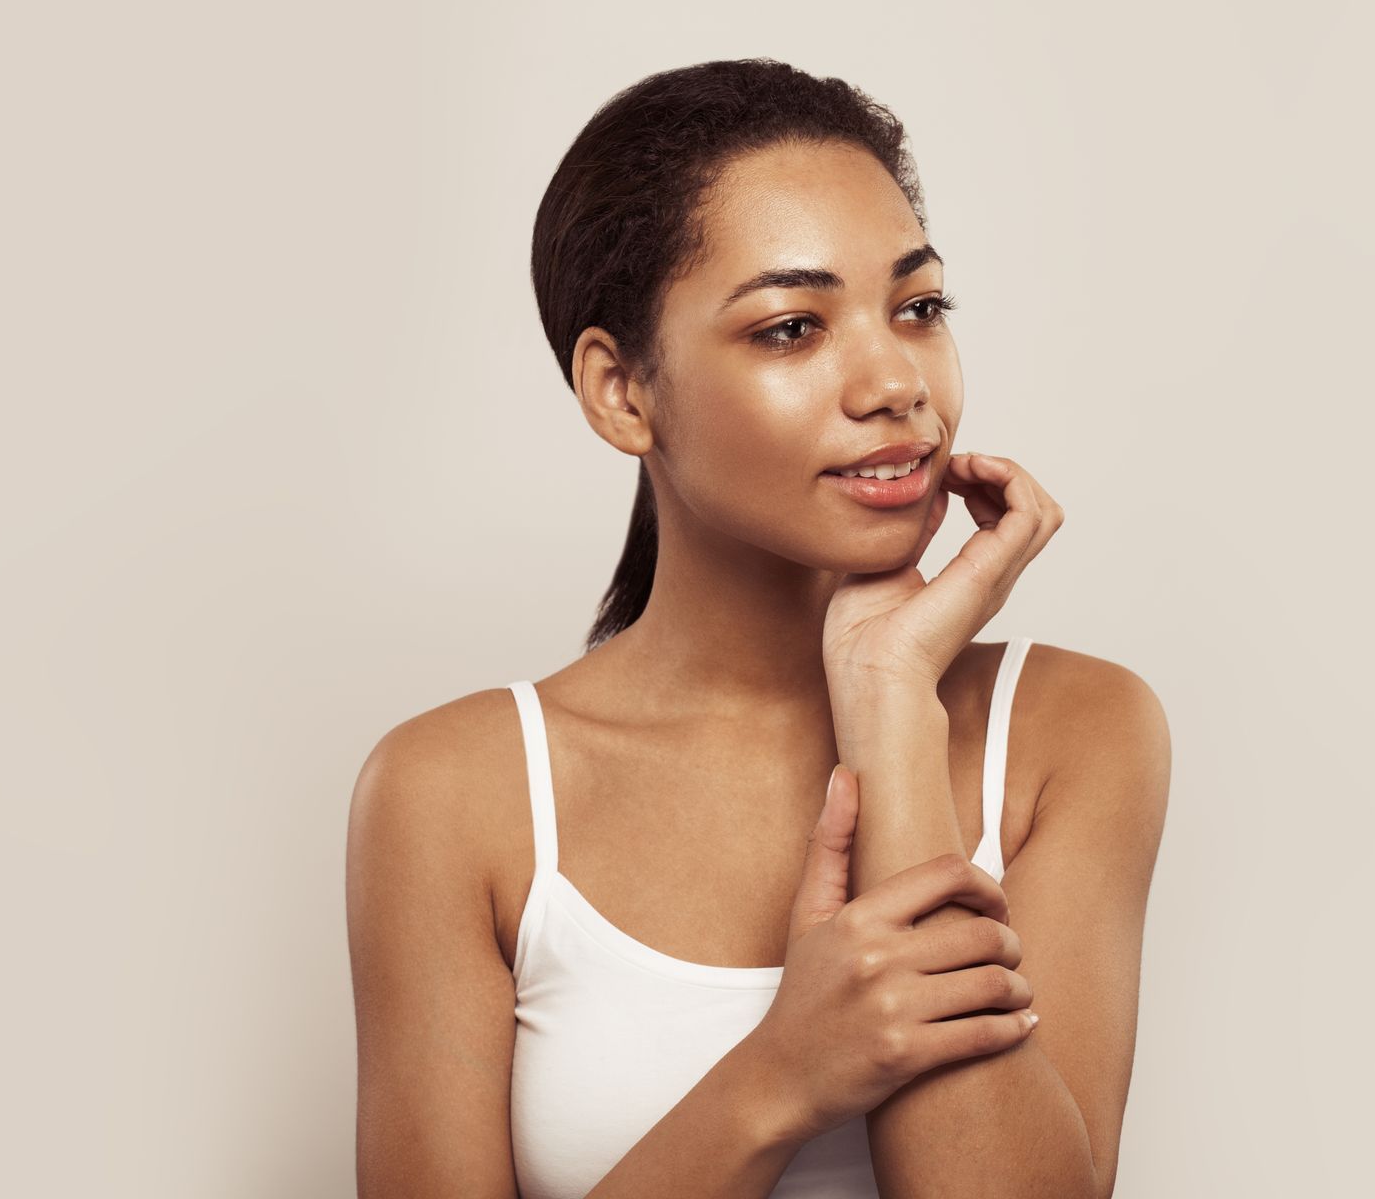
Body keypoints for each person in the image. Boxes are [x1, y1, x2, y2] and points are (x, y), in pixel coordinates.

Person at [346, 58, 1171, 1198]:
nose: (894, 381)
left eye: (917, 307)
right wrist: (786, 1071)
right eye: (792, 327)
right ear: (621, 392)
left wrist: (890, 703)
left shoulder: (1077, 731)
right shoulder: (454, 793)